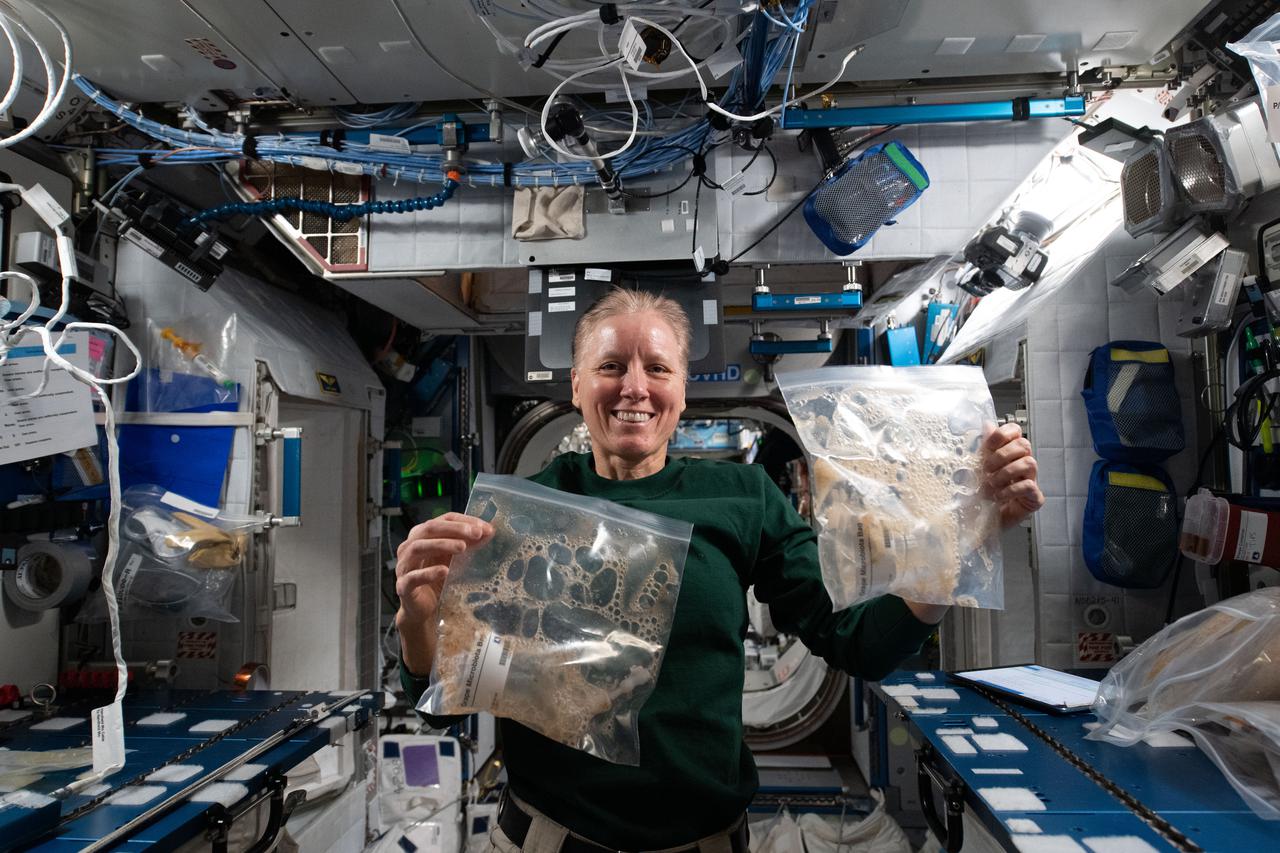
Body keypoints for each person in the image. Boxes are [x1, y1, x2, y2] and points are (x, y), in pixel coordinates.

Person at [397, 288, 1044, 853]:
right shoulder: (520, 516)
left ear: (681, 390)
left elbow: (858, 641)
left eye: (657, 368)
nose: (634, 387)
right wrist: (417, 621)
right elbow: (444, 703)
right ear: (575, 385)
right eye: (611, 366)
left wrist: (966, 532)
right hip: (545, 839)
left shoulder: (743, 498)